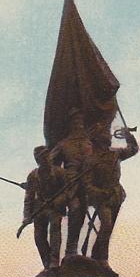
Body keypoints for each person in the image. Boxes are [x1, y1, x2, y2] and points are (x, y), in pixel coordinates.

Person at [86, 124, 139, 267]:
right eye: (105, 137)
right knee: (106, 225)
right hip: (101, 197)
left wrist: (128, 135)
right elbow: (87, 184)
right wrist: (99, 193)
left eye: (108, 137)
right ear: (98, 141)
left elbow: (133, 149)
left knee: (109, 228)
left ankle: (99, 256)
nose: (109, 138)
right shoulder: (91, 160)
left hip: (116, 195)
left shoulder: (115, 154)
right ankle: (101, 258)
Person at [50, 108, 93, 258]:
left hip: (88, 184)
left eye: (81, 121)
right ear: (70, 124)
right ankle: (71, 250)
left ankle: (96, 255)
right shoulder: (63, 144)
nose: (79, 124)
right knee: (75, 210)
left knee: (82, 214)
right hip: (71, 184)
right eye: (75, 121)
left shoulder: (90, 142)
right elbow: (51, 165)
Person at [22, 146, 67, 270]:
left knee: (54, 231)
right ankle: (46, 263)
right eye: (42, 157)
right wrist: (26, 216)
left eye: (47, 156)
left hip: (54, 208)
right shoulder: (33, 175)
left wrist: (57, 201)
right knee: (39, 237)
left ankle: (54, 261)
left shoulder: (59, 172)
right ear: (38, 160)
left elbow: (67, 192)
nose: (46, 159)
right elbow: (28, 197)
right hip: (39, 209)